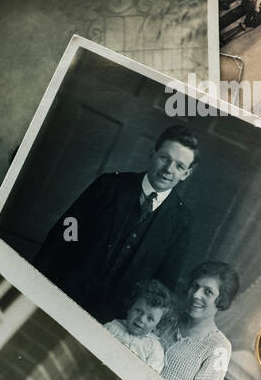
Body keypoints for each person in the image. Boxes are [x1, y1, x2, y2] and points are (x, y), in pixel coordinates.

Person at [33, 124, 197, 325]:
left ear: (186, 174)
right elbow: (67, 230)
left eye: (179, 166)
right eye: (165, 158)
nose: (168, 170)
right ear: (152, 154)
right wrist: (39, 280)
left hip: (116, 320)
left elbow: (165, 283)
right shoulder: (110, 185)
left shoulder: (182, 220)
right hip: (62, 292)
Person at [159, 261, 239, 380]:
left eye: (208, 292)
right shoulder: (167, 317)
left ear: (221, 300)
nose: (196, 294)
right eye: (195, 286)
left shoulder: (219, 348)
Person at [103, 279, 175, 372]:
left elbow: (149, 378)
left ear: (157, 326)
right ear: (130, 308)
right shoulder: (112, 327)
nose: (141, 319)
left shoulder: (154, 349)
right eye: (138, 311)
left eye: (150, 318)